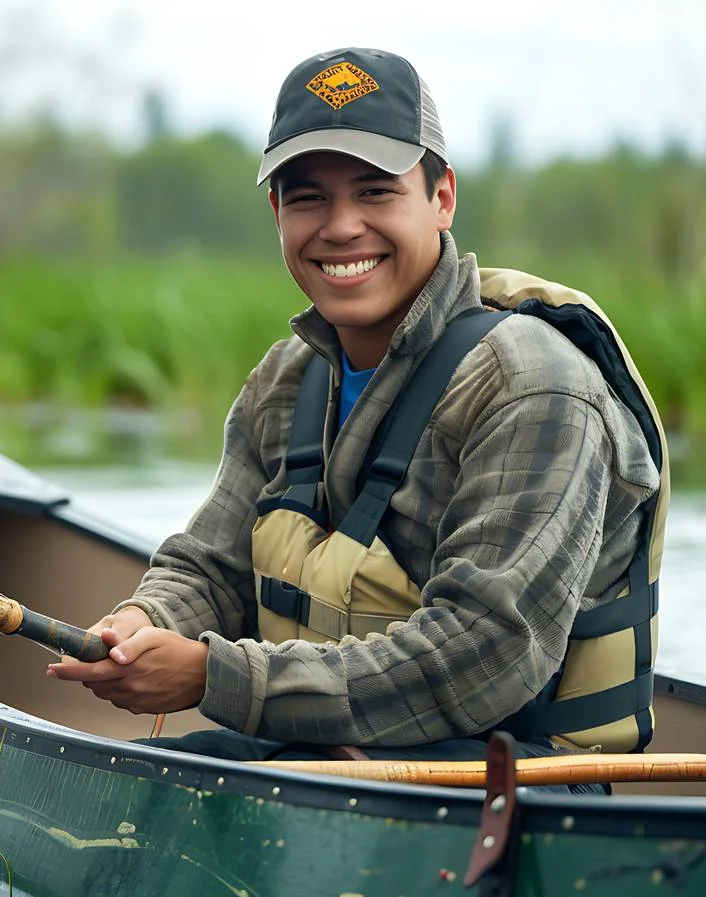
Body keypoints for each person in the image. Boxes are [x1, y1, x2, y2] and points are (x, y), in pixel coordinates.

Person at [48, 47, 668, 787]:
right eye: (308, 197)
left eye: (376, 192)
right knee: (165, 771)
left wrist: (218, 676)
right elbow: (212, 566)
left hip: (526, 783)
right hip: (341, 752)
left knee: (174, 777)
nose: (341, 228)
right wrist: (146, 622)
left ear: (442, 198)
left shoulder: (534, 384)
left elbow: (485, 653)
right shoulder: (285, 380)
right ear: (277, 213)